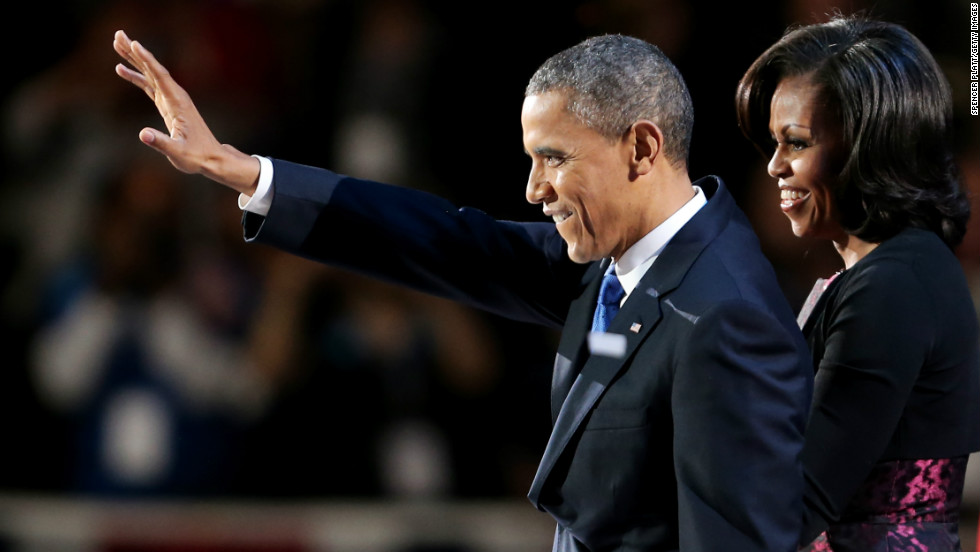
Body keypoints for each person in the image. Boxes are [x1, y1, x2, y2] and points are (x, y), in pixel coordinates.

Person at [114, 29, 813, 551]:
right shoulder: (619, 256)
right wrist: (248, 173)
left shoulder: (724, 318)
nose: (534, 190)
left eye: (554, 159)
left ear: (642, 148)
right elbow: (447, 241)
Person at [735, 14, 980, 551]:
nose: (775, 165)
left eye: (796, 143)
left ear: (869, 144)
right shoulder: (892, 272)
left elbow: (796, 502)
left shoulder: (895, 286)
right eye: (774, 143)